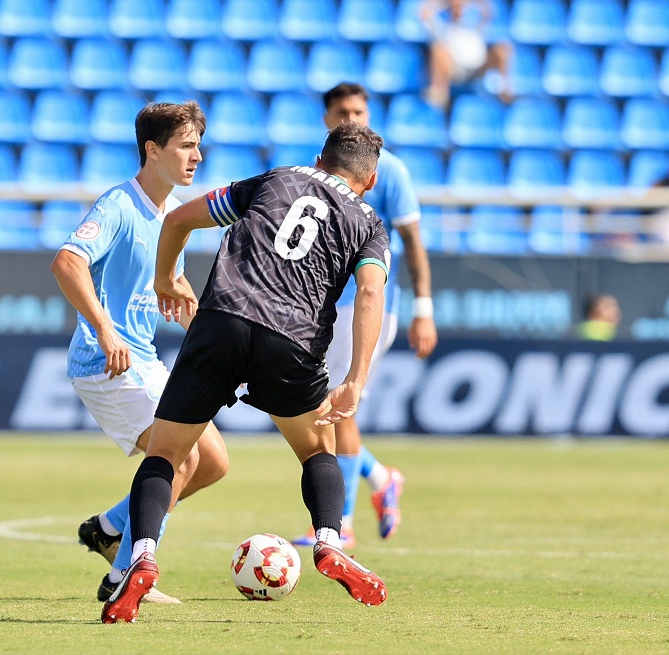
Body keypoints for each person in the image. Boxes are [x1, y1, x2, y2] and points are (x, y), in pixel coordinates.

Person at [101, 122, 392, 624]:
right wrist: (356, 379)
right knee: (317, 451)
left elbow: (179, 221)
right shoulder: (367, 222)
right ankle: (328, 540)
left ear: (320, 160)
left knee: (166, 453)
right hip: (292, 339)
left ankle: (141, 558)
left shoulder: (274, 179)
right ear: (370, 178)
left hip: (221, 323)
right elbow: (369, 292)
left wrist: (166, 278)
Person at [50, 101, 229, 606]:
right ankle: (125, 576)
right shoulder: (119, 205)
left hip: (143, 357)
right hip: (106, 360)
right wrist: (104, 329)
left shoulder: (168, 214)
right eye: (186, 146)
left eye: (198, 145)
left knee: (213, 462)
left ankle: (110, 529)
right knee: (183, 456)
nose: (197, 156)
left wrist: (185, 299)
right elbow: (67, 262)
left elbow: (167, 281)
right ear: (153, 150)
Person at [292, 83, 438, 550]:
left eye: (358, 111)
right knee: (325, 410)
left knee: (333, 408)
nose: (350, 119)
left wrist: (424, 309)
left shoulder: (389, 169)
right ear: (326, 118)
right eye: (341, 112)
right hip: (325, 306)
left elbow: (413, 245)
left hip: (371, 306)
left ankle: (342, 524)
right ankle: (381, 478)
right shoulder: (320, 167)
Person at [419, 0, 513, 108]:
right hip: (455, 72)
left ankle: (504, 93)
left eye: (460, 7)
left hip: (478, 69)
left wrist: (469, 2)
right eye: (455, 8)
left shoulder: (475, 26)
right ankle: (440, 94)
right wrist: (446, 3)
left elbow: (488, 11)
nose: (458, 10)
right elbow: (424, 12)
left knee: (502, 49)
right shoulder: (442, 29)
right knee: (438, 50)